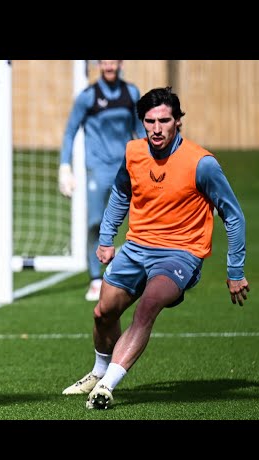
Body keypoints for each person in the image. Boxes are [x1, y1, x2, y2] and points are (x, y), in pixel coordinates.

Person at [61, 86, 249, 409]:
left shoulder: (201, 163)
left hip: (180, 253)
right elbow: (121, 194)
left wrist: (235, 271)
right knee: (103, 313)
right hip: (136, 248)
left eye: (164, 120)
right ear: (142, 122)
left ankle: (106, 387)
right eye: (150, 121)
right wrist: (106, 239)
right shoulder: (134, 153)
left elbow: (233, 215)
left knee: (147, 306)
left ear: (178, 122)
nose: (157, 129)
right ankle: (98, 371)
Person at [59, 60, 146, 301]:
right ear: (99, 64)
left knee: (138, 224)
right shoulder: (88, 97)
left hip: (127, 169)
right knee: (95, 222)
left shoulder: (131, 93)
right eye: (105, 61)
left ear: (121, 64)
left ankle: (136, 273)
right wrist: (65, 166)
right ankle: (96, 278)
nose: (109, 66)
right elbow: (70, 131)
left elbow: (140, 130)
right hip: (97, 170)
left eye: (113, 61)